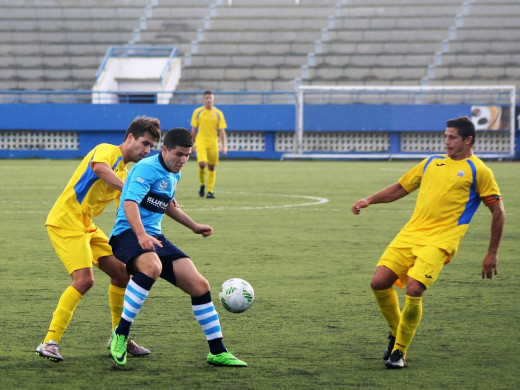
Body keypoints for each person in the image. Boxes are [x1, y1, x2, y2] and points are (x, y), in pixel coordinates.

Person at [351, 116, 505, 369]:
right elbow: (401, 187)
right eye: (446, 136)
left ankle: (399, 352)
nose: (446, 141)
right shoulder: (432, 162)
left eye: (452, 137)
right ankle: (396, 333)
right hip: (411, 234)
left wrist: (492, 253)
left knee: (414, 289)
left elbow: (498, 212)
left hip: (441, 240)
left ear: (468, 140)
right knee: (378, 282)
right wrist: (369, 199)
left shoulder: (479, 171)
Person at [108, 127, 246, 367]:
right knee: (152, 266)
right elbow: (129, 204)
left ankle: (217, 351)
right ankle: (120, 335)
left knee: (200, 285)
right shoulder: (146, 168)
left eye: (188, 155)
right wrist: (141, 235)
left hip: (154, 236)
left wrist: (193, 226)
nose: (183, 161)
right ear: (165, 149)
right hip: (127, 233)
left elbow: (167, 204)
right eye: (179, 154)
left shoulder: (174, 173)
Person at [36, 116, 162, 362]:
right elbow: (99, 169)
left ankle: (119, 337)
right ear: (130, 138)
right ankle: (49, 341)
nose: (146, 151)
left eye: (151, 147)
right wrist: (128, 188)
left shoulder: (125, 171)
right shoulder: (107, 151)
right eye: (144, 143)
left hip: (87, 226)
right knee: (84, 280)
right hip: (65, 221)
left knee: (122, 273)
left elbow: (127, 207)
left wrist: (157, 204)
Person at [190, 90, 227, 199]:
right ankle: (202, 184)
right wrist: (191, 145)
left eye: (210, 98)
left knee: (211, 167)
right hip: (201, 141)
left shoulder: (218, 113)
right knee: (202, 163)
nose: (209, 100)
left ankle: (210, 191)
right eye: (207, 98)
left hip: (213, 143)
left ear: (213, 99)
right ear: (203, 100)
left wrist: (224, 146)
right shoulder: (198, 112)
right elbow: (193, 130)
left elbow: (221, 131)